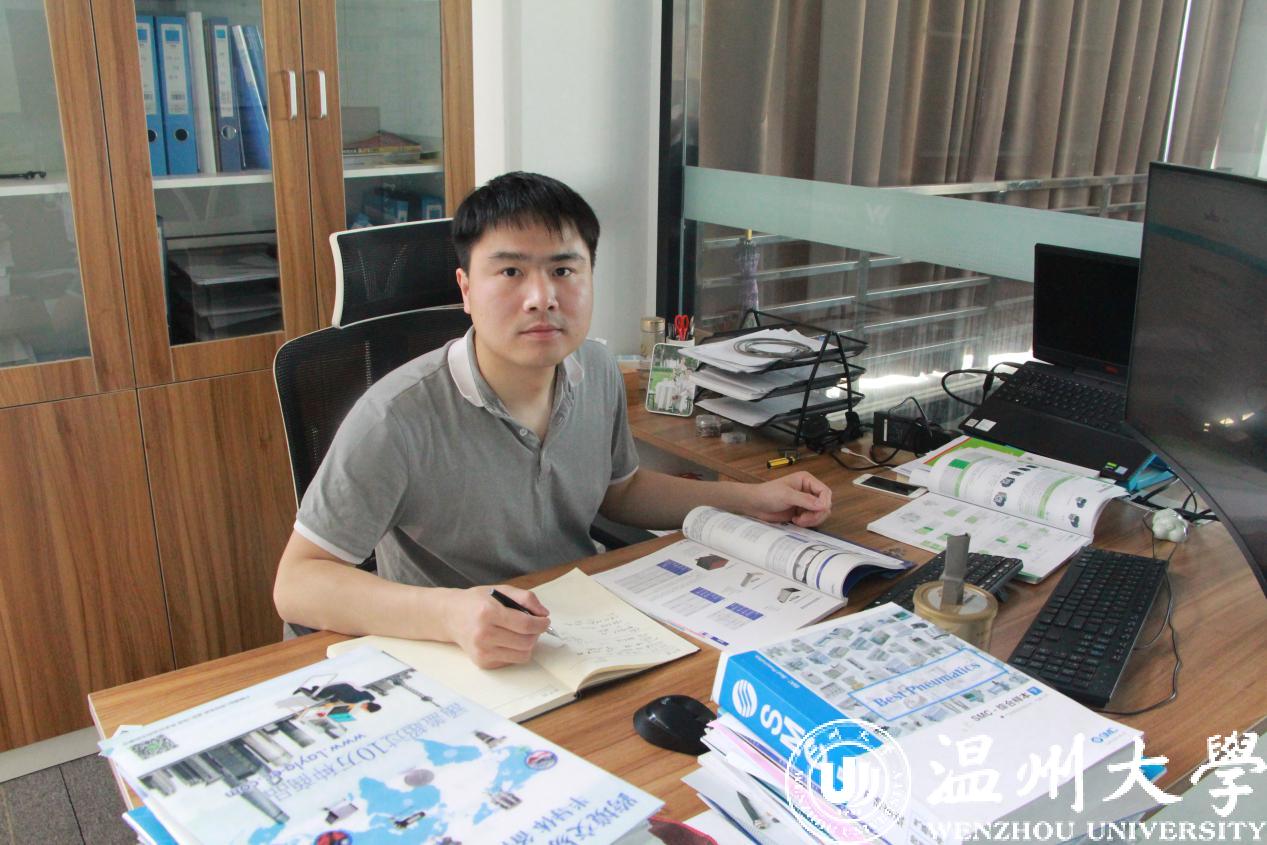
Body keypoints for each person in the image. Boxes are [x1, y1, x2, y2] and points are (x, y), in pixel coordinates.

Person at [273, 172, 833, 668]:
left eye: (563, 269)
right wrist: (451, 615)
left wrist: (751, 500)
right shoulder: (395, 416)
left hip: (582, 626)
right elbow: (297, 583)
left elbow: (620, 491)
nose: (541, 297)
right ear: (466, 289)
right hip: (459, 653)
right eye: (510, 271)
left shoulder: (596, 368)